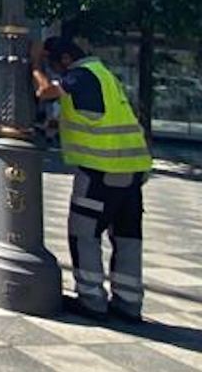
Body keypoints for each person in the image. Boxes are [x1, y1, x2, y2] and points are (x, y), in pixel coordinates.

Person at [34, 37, 152, 323]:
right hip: (133, 170)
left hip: (101, 170)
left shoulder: (81, 74)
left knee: (84, 233)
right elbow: (93, 116)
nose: (54, 69)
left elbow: (45, 91)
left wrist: (35, 65)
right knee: (127, 237)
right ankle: (128, 303)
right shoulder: (103, 74)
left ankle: (92, 300)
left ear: (64, 60)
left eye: (53, 63)